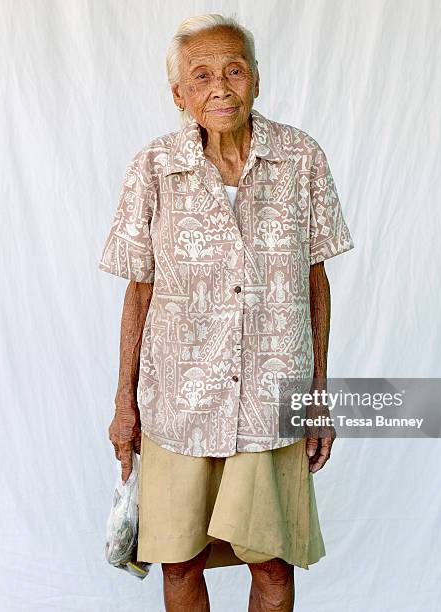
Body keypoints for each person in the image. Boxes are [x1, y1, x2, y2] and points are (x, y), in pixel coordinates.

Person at [99, 13, 354, 612]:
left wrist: (318, 395)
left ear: (257, 81)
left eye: (234, 70)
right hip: (178, 405)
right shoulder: (153, 168)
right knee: (180, 559)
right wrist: (123, 407)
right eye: (202, 75)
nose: (220, 87)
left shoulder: (301, 159)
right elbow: (138, 294)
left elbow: (316, 283)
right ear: (179, 94)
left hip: (270, 401)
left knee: (270, 562)